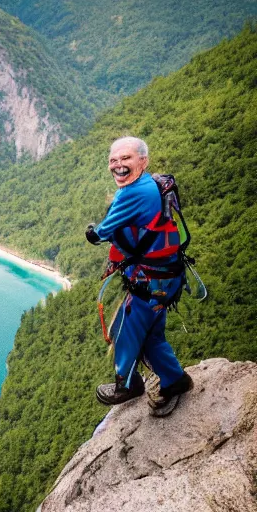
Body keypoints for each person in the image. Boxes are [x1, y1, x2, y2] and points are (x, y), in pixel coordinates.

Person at [85, 136, 193, 409]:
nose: (118, 165)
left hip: (149, 282)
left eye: (126, 158)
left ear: (143, 161)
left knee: (125, 329)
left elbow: (102, 233)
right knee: (152, 336)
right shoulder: (150, 184)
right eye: (113, 160)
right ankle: (174, 380)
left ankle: (128, 385)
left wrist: (92, 234)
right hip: (166, 277)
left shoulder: (134, 192)